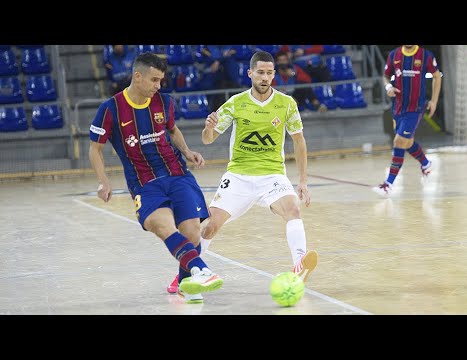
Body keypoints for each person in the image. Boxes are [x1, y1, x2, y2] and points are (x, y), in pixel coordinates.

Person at [167, 50, 318, 293]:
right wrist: (208, 128)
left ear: (274, 74)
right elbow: (208, 140)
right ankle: (186, 274)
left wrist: (302, 181)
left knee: (293, 209)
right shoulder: (236, 103)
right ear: (250, 73)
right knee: (209, 226)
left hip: (272, 175)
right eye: (260, 72)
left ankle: (299, 265)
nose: (265, 77)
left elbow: (299, 142)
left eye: (269, 73)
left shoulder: (286, 104)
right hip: (238, 176)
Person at [89, 52, 223, 304]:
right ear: (137, 76)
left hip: (177, 174)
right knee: (160, 225)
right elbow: (95, 148)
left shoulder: (165, 102)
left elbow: (172, 129)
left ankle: (186, 284)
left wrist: (187, 151)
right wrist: (104, 180)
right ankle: (202, 270)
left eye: (161, 80)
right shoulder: (110, 109)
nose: (158, 86)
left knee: (193, 231)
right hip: (144, 183)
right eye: (154, 80)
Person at [372, 45, 442, 196]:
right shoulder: (394, 55)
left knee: (398, 142)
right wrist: (388, 87)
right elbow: (385, 76)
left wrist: (434, 101)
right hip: (397, 108)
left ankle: (388, 184)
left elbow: (437, 76)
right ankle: (426, 164)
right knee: (407, 142)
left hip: (415, 109)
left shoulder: (425, 56)